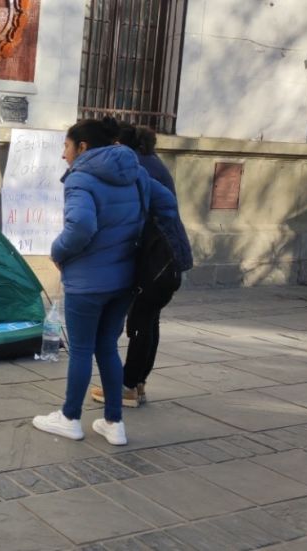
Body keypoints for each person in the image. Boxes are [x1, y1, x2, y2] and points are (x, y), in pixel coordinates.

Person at [32, 117, 180, 446]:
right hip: (124, 279)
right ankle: (114, 422)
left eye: (66, 147)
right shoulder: (136, 171)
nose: (63, 155)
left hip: (87, 281)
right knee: (108, 348)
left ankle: (70, 418)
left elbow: (81, 226)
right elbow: (168, 203)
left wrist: (58, 250)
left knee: (82, 350)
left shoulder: (81, 179)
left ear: (82, 147)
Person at [90, 124, 193, 407]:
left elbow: (140, 211)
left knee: (140, 322)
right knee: (148, 320)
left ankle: (128, 386)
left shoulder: (136, 167)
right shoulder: (149, 161)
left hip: (158, 258)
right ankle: (138, 383)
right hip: (167, 256)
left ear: (119, 144)